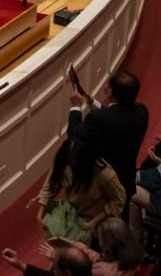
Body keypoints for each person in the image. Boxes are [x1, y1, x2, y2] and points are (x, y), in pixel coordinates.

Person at [65, 69, 147, 201]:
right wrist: (89, 99)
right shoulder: (142, 112)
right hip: (127, 180)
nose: (105, 87)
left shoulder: (99, 119)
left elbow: (74, 134)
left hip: (104, 189)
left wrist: (76, 107)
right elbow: (115, 117)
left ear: (111, 92)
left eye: (108, 86)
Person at [34, 136, 125, 242]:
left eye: (73, 165)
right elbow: (52, 183)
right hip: (71, 216)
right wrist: (40, 214)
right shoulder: (65, 161)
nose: (69, 168)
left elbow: (119, 200)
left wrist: (94, 222)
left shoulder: (105, 175)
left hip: (93, 223)